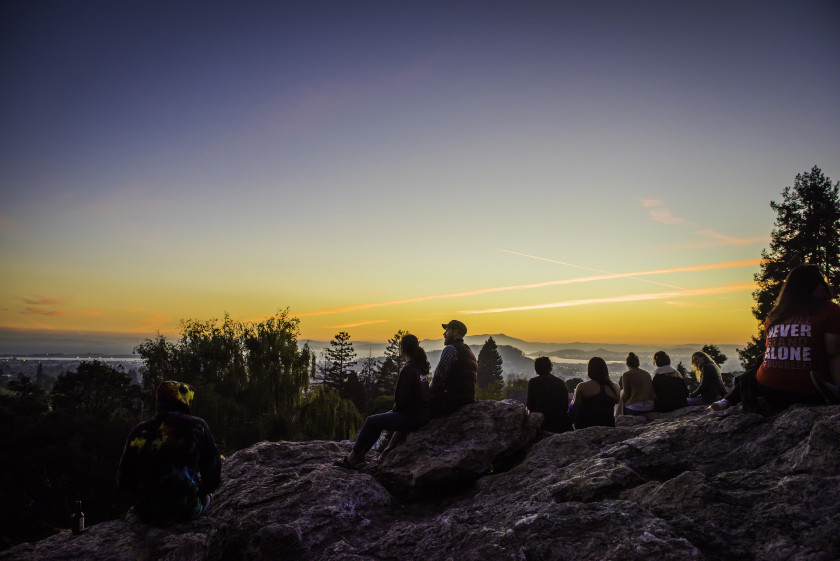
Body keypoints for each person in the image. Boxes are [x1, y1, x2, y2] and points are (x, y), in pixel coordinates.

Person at [711, 264, 840, 411]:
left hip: (770, 390)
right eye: (820, 281)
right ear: (808, 286)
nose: (824, 286)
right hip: (809, 392)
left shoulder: (775, 316)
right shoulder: (829, 311)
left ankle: (728, 400)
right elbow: (834, 352)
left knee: (760, 362)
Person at [117, 381, 221, 526]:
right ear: (185, 401)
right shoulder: (197, 426)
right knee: (211, 499)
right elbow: (213, 475)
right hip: (186, 508)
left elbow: (124, 481)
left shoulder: (139, 431)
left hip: (147, 512)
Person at [335, 334, 431, 468]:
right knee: (378, 421)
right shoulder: (420, 368)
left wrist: (393, 411)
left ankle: (353, 457)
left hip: (412, 417)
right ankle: (360, 454)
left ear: (402, 349)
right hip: (421, 415)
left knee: (371, 421)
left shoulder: (408, 369)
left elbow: (401, 400)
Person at [429, 320, 477, 417]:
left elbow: (438, 378)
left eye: (447, 330)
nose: (444, 334)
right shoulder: (469, 351)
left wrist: (425, 394)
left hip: (450, 401)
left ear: (455, 332)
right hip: (466, 400)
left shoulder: (451, 349)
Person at [570, 357, 620, 429]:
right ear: (605, 370)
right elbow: (616, 401)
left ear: (590, 370)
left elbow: (575, 408)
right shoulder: (616, 387)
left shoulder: (582, 386)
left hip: (586, 426)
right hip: (608, 426)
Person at [526, 357, 573, 433]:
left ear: (536, 369)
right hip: (559, 424)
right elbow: (565, 406)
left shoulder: (533, 382)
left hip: (542, 423)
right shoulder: (560, 382)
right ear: (550, 367)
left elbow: (530, 405)